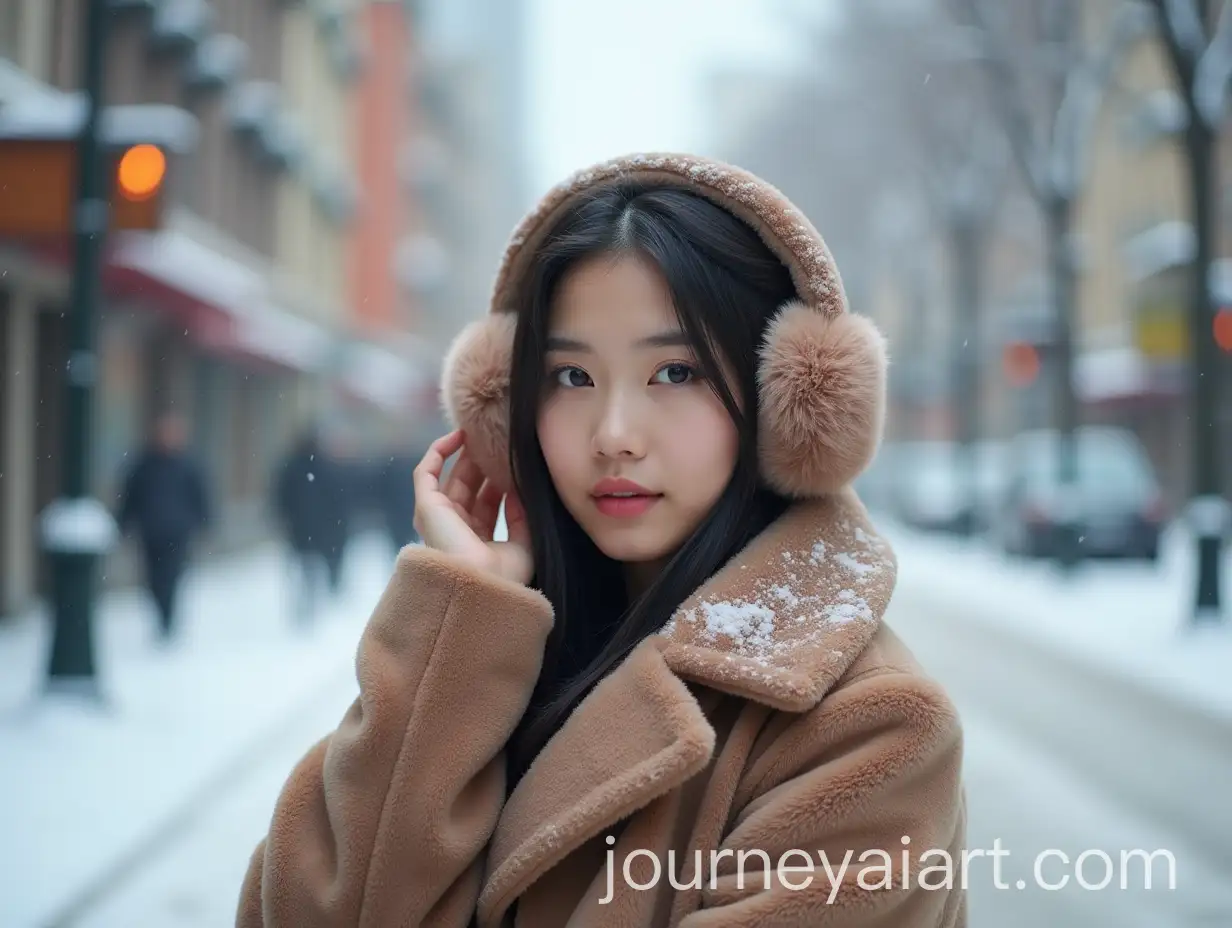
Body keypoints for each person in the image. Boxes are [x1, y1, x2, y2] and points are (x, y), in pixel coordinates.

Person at [237, 154, 966, 927]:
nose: (614, 435)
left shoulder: (872, 728)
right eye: (571, 379)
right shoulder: (489, 648)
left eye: (677, 372)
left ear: (785, 402)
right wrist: (457, 628)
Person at [117, 412, 211, 641]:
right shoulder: (143, 464)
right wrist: (123, 523)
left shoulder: (188, 465)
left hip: (178, 533)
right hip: (150, 532)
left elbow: (201, 496)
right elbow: (130, 496)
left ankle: (168, 619)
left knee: (172, 577)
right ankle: (161, 615)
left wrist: (204, 522)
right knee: (152, 579)